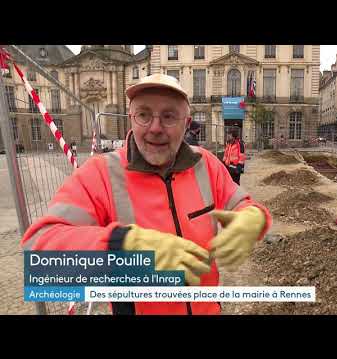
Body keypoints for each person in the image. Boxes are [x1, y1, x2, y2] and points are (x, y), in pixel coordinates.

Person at [20, 74, 272, 315]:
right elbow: (39, 258)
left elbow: (242, 203)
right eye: (143, 115)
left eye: (169, 116)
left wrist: (254, 218)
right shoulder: (101, 173)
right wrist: (122, 245)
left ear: (186, 122)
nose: (155, 128)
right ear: (131, 118)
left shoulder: (205, 163)